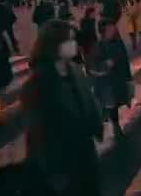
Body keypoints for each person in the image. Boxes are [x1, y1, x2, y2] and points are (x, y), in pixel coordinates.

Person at [22, 20, 103, 195]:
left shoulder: (74, 70)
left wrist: (97, 125)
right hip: (61, 160)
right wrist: (51, 171)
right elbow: (37, 132)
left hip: (85, 151)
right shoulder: (37, 84)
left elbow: (88, 101)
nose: (74, 44)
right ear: (53, 45)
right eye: (69, 40)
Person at [90, 18, 133, 139]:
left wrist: (128, 77)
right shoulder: (100, 45)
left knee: (118, 102)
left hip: (118, 80)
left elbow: (125, 60)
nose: (113, 29)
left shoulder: (118, 42)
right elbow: (95, 65)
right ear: (104, 31)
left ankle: (113, 124)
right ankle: (115, 128)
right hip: (107, 82)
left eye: (113, 27)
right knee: (111, 105)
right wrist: (106, 64)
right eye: (110, 28)